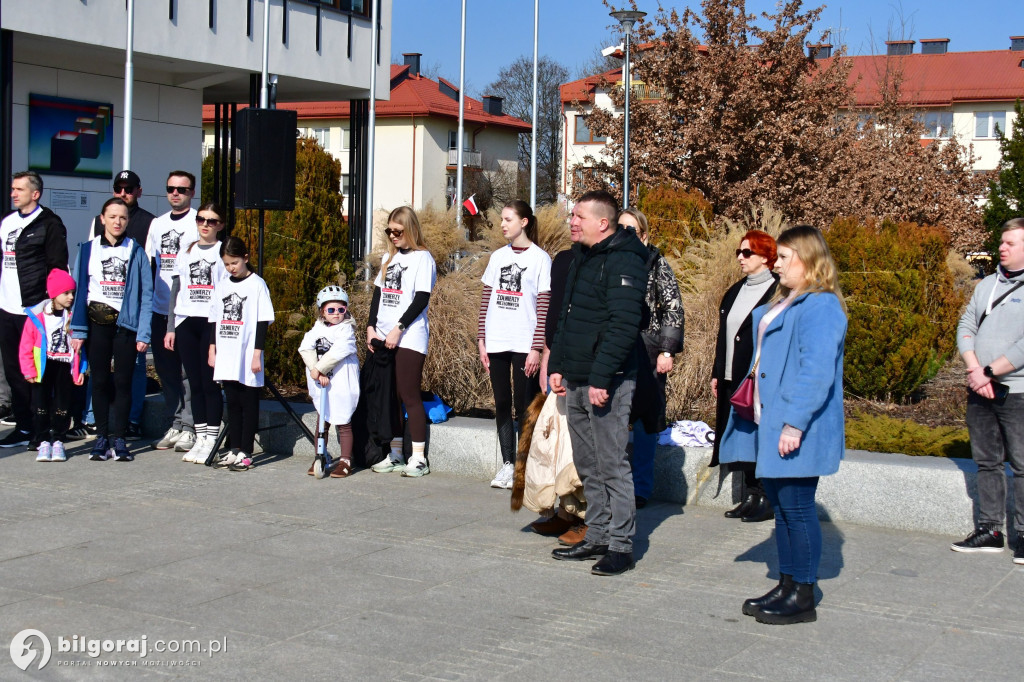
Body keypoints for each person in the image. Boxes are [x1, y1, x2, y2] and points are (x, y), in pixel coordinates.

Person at [719, 224, 847, 625]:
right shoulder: (790, 301)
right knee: (785, 510)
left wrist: (794, 424)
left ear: (808, 261)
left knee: (796, 508)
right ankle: (788, 584)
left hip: (795, 426)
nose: (776, 265)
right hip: (770, 420)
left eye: (785, 258)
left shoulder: (822, 305)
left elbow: (816, 371)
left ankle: (802, 593)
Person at [547, 190, 649, 577]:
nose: (571, 221)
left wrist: (602, 378)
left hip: (608, 381)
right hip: (576, 376)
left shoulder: (625, 259)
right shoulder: (581, 258)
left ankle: (621, 546)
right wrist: (558, 363)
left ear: (602, 223)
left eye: (578, 216)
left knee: (611, 464)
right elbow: (567, 316)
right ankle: (598, 534)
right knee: (588, 463)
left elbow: (623, 326)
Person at [953, 217, 1024, 564]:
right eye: (1002, 242)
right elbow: (966, 325)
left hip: (1017, 391)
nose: (1002, 247)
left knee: (1023, 465)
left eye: (1011, 242)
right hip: (979, 387)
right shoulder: (986, 286)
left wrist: (991, 371)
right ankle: (990, 530)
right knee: (987, 462)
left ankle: (1023, 535)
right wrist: (974, 368)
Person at [69, 197, 153, 463]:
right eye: (113, 216)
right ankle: (102, 436)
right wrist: (78, 331)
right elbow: (80, 289)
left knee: (123, 382)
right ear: (102, 219)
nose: (118, 222)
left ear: (128, 221)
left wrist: (143, 332)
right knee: (101, 381)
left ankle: (120, 437)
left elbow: (146, 295)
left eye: (123, 217)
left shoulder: (135, 251)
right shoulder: (88, 249)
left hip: (125, 326)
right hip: (96, 326)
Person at [478, 200, 551, 489]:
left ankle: (524, 465)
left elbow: (543, 306)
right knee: (501, 403)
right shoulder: (497, 257)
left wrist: (536, 347)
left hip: (524, 343)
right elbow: (486, 299)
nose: (503, 224)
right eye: (501, 219)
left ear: (524, 222)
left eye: (508, 219)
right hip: (496, 340)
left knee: (524, 405)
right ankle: (507, 464)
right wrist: (481, 339)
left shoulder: (540, 259)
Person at [617, 208, 683, 509]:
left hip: (649, 348)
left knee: (645, 421)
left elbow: (672, 307)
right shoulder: (612, 261)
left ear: (644, 235)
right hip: (618, 350)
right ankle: (616, 485)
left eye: (632, 230)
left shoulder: (657, 264)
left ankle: (641, 488)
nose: (626, 235)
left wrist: (667, 350)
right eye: (621, 229)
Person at [712, 230, 779, 522]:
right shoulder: (735, 290)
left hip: (755, 379)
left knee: (759, 436)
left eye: (747, 253)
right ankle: (751, 495)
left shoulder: (778, 291)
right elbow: (723, 335)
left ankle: (765, 496)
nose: (740, 257)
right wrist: (717, 372)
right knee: (740, 437)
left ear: (765, 257)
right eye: (739, 252)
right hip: (731, 375)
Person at [0, 171, 70, 449]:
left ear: (35, 194)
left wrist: (51, 306)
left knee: (39, 369)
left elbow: (57, 266)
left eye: (19, 189)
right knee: (14, 369)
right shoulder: (7, 222)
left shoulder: (50, 224)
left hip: (34, 308)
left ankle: (43, 427)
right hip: (7, 307)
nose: (13, 193)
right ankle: (24, 425)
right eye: (12, 188)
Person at [367, 206, 437, 478]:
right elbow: (378, 294)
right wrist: (371, 327)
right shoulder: (389, 257)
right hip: (383, 336)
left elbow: (421, 298)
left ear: (410, 229)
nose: (393, 236)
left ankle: (418, 458)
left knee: (408, 394)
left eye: (398, 231)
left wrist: (398, 328)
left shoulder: (423, 259)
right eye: (389, 231)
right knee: (389, 397)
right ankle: (395, 453)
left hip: (409, 336)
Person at [91, 170, 155, 440]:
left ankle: (129, 422)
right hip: (99, 321)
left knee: (131, 374)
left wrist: (143, 326)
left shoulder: (149, 222)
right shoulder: (95, 227)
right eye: (119, 188)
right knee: (99, 376)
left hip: (129, 317)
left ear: (138, 191)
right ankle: (98, 424)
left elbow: (147, 279)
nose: (123, 193)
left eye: (129, 189)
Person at [164, 203, 228, 464]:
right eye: (201, 219)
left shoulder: (223, 251)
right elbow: (176, 289)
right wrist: (170, 326)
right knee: (194, 382)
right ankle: (200, 436)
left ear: (220, 225)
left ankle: (212, 437)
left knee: (210, 382)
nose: (205, 224)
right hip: (186, 320)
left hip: (210, 322)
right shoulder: (186, 250)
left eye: (212, 221)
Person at [208, 236, 274, 471]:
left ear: (245, 258)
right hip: (226, 352)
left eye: (234, 263)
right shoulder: (223, 283)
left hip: (247, 353)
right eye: (226, 264)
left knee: (248, 402)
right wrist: (212, 348)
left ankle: (247, 451)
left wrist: (257, 353)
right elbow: (215, 318)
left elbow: (263, 320)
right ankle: (234, 448)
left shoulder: (257, 284)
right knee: (232, 402)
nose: (230, 268)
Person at [146, 171, 198, 452]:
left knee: (187, 372)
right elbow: (150, 265)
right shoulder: (157, 224)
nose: (175, 193)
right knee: (166, 371)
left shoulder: (197, 222)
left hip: (186, 310)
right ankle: (175, 423)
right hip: (159, 308)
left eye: (182, 189)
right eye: (171, 188)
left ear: (191, 192)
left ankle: (190, 427)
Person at [19, 269, 86, 462]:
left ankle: (58, 440)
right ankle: (42, 441)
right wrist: (28, 369)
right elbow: (26, 346)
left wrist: (80, 369)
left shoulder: (73, 316)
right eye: (66, 293)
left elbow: (82, 346)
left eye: (72, 293)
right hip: (43, 366)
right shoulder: (37, 317)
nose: (70, 297)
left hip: (65, 366)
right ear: (53, 294)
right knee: (40, 405)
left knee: (62, 405)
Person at [299, 285, 360, 478]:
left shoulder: (346, 330)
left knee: (343, 421)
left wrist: (319, 368)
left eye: (341, 309)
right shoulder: (316, 329)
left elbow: (338, 351)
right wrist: (315, 369)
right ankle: (320, 455)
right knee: (322, 420)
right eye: (331, 310)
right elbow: (305, 348)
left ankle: (345, 460)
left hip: (341, 381)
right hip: (322, 381)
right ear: (322, 312)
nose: (336, 314)